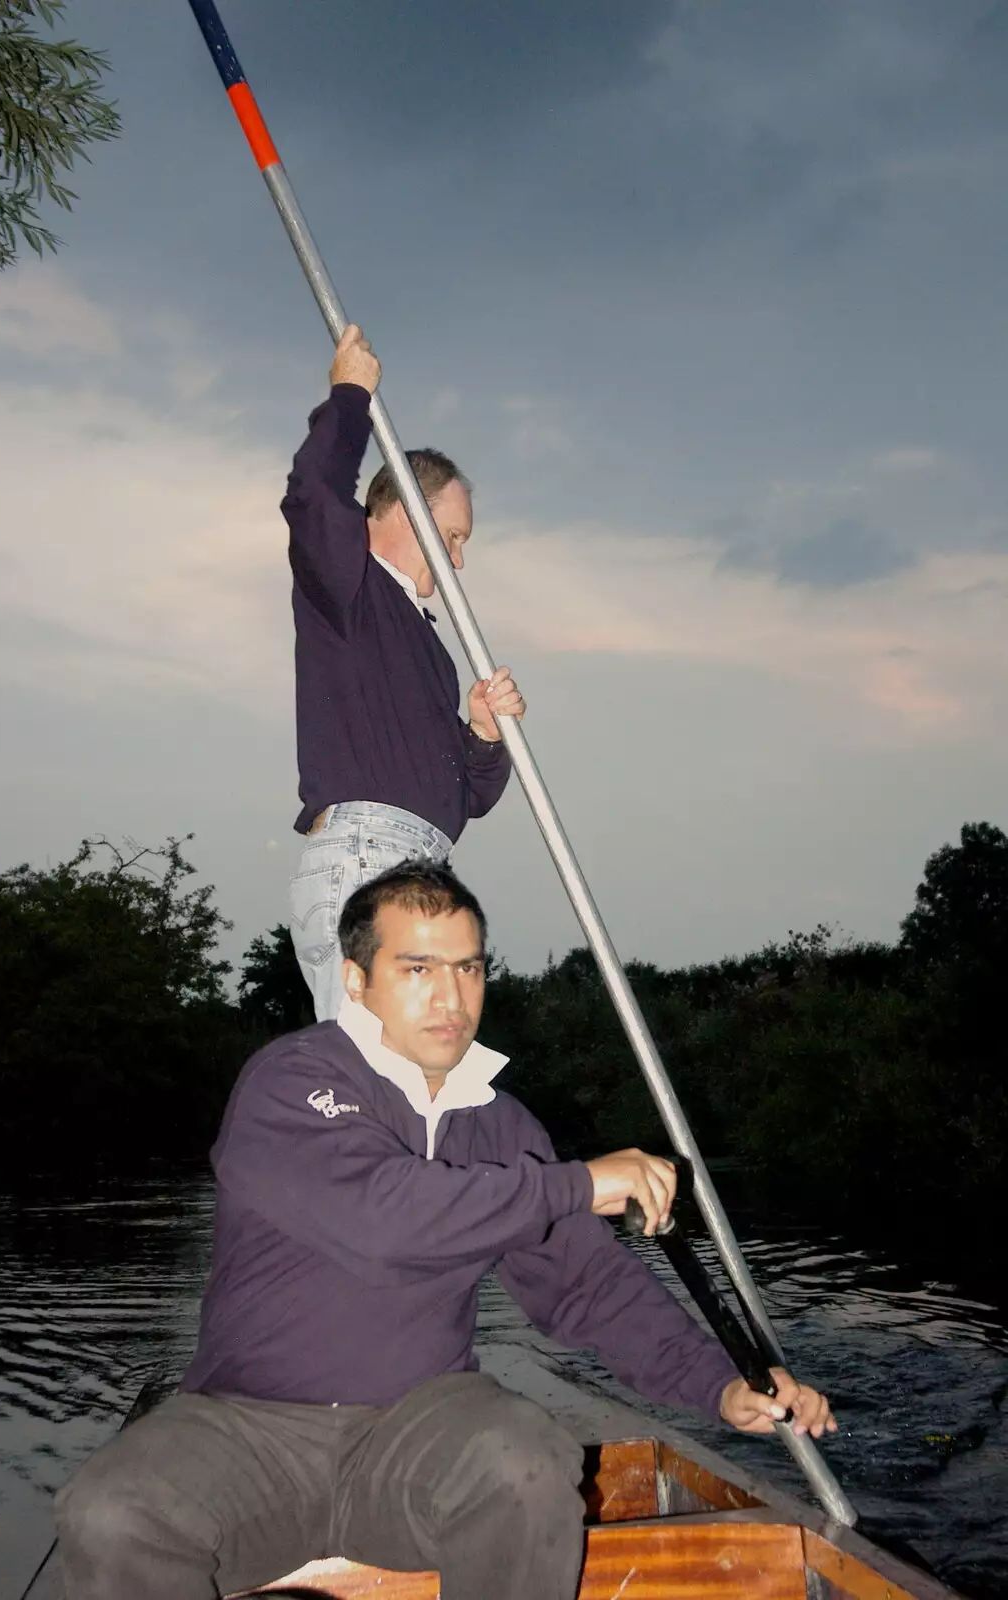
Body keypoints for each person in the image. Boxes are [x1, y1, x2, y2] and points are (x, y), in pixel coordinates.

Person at [55, 861, 836, 1600]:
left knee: (525, 1462)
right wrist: (581, 1180)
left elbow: (588, 1288)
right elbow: (385, 1220)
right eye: (418, 969)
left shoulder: (501, 1126)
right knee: (111, 1511)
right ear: (357, 981)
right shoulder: (291, 1082)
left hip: (417, 1428)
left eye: (468, 968)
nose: (451, 997)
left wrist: (719, 1384)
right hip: (246, 1427)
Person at [283, 324, 526, 1021]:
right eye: (451, 536)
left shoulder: (422, 645)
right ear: (398, 512)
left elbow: (466, 798)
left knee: (422, 1082)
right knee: (376, 1073)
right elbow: (312, 496)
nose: (457, 562)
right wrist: (349, 397)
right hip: (368, 855)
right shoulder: (349, 586)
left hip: (424, 861)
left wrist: (482, 735)